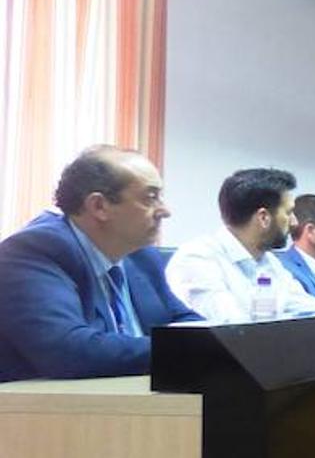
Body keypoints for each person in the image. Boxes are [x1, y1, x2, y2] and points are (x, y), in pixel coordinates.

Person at [0, 146, 199, 381]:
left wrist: (204, 344)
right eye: (150, 198)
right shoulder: (35, 251)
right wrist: (184, 349)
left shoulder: (142, 256)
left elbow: (186, 322)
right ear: (99, 206)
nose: (165, 211)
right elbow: (67, 351)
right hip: (56, 401)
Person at [166, 168, 315, 323]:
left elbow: (311, 310)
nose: (294, 222)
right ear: (263, 218)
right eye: (288, 213)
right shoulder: (198, 258)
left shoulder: (270, 262)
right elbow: (234, 328)